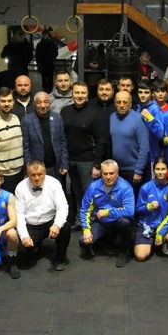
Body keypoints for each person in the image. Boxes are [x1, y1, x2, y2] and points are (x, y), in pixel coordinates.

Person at [60, 82, 107, 227]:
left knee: (89, 193)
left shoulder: (95, 113)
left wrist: (97, 165)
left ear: (87, 95)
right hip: (69, 159)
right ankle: (80, 220)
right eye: (77, 92)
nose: (79, 96)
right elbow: (62, 137)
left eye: (83, 93)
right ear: (72, 94)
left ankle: (90, 222)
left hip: (87, 161)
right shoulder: (65, 111)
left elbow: (101, 141)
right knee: (75, 192)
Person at [14, 160, 71, 271]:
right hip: (31, 225)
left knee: (66, 227)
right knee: (24, 259)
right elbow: (19, 215)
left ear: (45, 172)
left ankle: (60, 258)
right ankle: (36, 246)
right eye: (33, 175)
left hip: (50, 221)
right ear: (27, 174)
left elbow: (62, 207)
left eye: (40, 174)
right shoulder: (20, 187)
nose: (37, 178)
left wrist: (57, 225)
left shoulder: (54, 183)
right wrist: (24, 236)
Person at [79, 159, 134, 268]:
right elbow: (84, 210)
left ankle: (124, 252)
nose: (108, 177)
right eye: (105, 174)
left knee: (125, 222)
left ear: (117, 173)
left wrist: (108, 212)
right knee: (83, 241)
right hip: (101, 223)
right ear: (101, 174)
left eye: (112, 173)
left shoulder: (125, 187)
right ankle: (105, 240)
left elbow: (130, 211)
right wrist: (86, 230)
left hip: (117, 222)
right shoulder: (93, 187)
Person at [133, 157, 168, 262]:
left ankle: (165, 240)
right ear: (153, 170)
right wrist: (148, 207)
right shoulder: (145, 187)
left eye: (163, 169)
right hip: (147, 225)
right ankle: (152, 242)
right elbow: (138, 209)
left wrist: (160, 232)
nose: (160, 172)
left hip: (165, 225)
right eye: (157, 169)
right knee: (140, 256)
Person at [110, 91, 150, 195]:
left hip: (133, 171)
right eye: (119, 102)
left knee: (132, 200)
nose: (121, 105)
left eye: (125, 102)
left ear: (130, 104)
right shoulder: (112, 117)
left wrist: (138, 171)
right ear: (115, 103)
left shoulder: (138, 119)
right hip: (115, 170)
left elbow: (144, 147)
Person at [22, 91, 69, 179]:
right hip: (37, 168)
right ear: (34, 104)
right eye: (39, 102)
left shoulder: (57, 117)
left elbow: (63, 142)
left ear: (50, 103)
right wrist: (29, 166)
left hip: (56, 166)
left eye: (46, 102)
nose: (43, 105)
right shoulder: (27, 120)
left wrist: (64, 164)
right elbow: (26, 147)